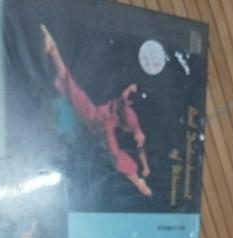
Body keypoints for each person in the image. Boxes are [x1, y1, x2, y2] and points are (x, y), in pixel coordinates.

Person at [41, 24, 152, 197]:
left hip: (102, 123)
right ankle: (53, 51)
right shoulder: (125, 102)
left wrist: (145, 167)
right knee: (71, 88)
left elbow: (140, 143)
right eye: (130, 89)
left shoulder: (131, 118)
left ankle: (138, 182)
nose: (128, 91)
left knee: (115, 156)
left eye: (131, 92)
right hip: (97, 117)